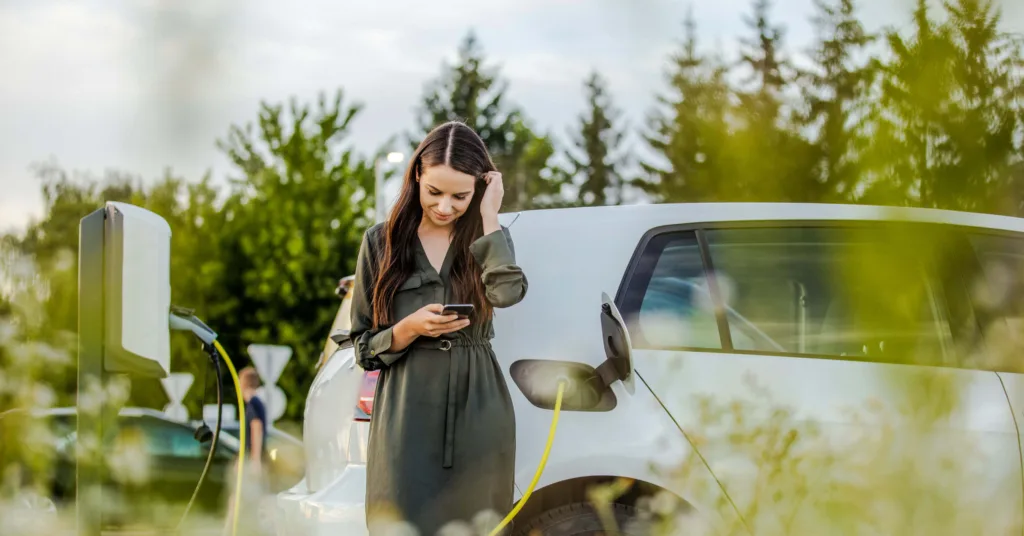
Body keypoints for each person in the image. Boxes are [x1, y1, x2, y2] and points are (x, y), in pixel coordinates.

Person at [350, 120, 528, 535]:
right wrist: (408, 328)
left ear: (479, 189)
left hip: (479, 410)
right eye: (435, 192)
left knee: (480, 525)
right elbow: (362, 347)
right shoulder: (382, 243)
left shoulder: (487, 234)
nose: (446, 206)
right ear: (417, 176)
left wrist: (488, 215)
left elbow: (507, 294)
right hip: (406, 413)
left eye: (460, 195)